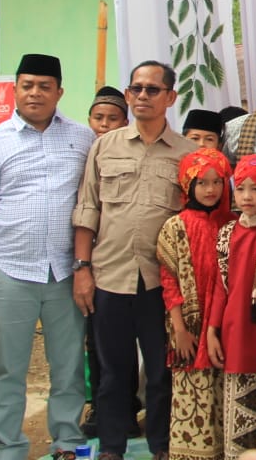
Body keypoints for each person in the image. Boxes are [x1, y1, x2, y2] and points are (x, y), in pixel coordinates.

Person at [0, 55, 94, 460]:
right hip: (10, 271)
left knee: (68, 367)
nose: (35, 93)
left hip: (66, 273)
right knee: (8, 369)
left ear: (59, 92)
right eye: (28, 85)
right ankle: (9, 447)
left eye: (44, 86)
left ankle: (67, 441)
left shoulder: (83, 138)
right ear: (15, 89)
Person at [73, 60, 196, 460]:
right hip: (109, 276)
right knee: (111, 373)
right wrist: (82, 269)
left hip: (161, 284)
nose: (142, 96)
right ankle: (111, 448)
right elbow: (87, 209)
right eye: (136, 89)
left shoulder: (188, 154)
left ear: (170, 97)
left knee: (160, 373)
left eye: (152, 90)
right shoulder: (104, 147)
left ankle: (161, 446)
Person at [157, 147, 237, 460]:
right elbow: (169, 282)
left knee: (223, 393)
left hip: (225, 327)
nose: (210, 189)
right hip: (189, 328)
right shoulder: (175, 227)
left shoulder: (231, 224)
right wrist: (179, 330)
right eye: (202, 182)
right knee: (193, 393)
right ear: (187, 185)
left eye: (218, 182)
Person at [207, 155, 256, 460]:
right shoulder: (228, 232)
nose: (247, 197)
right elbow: (218, 287)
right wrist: (212, 331)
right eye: (240, 189)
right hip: (235, 332)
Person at [82, 85, 136, 441]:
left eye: (111, 118)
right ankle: (96, 405)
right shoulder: (80, 151)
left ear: (124, 120)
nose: (103, 125)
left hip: (133, 266)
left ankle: (129, 408)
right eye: (98, 118)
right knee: (97, 343)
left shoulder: (136, 151)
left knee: (130, 344)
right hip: (95, 265)